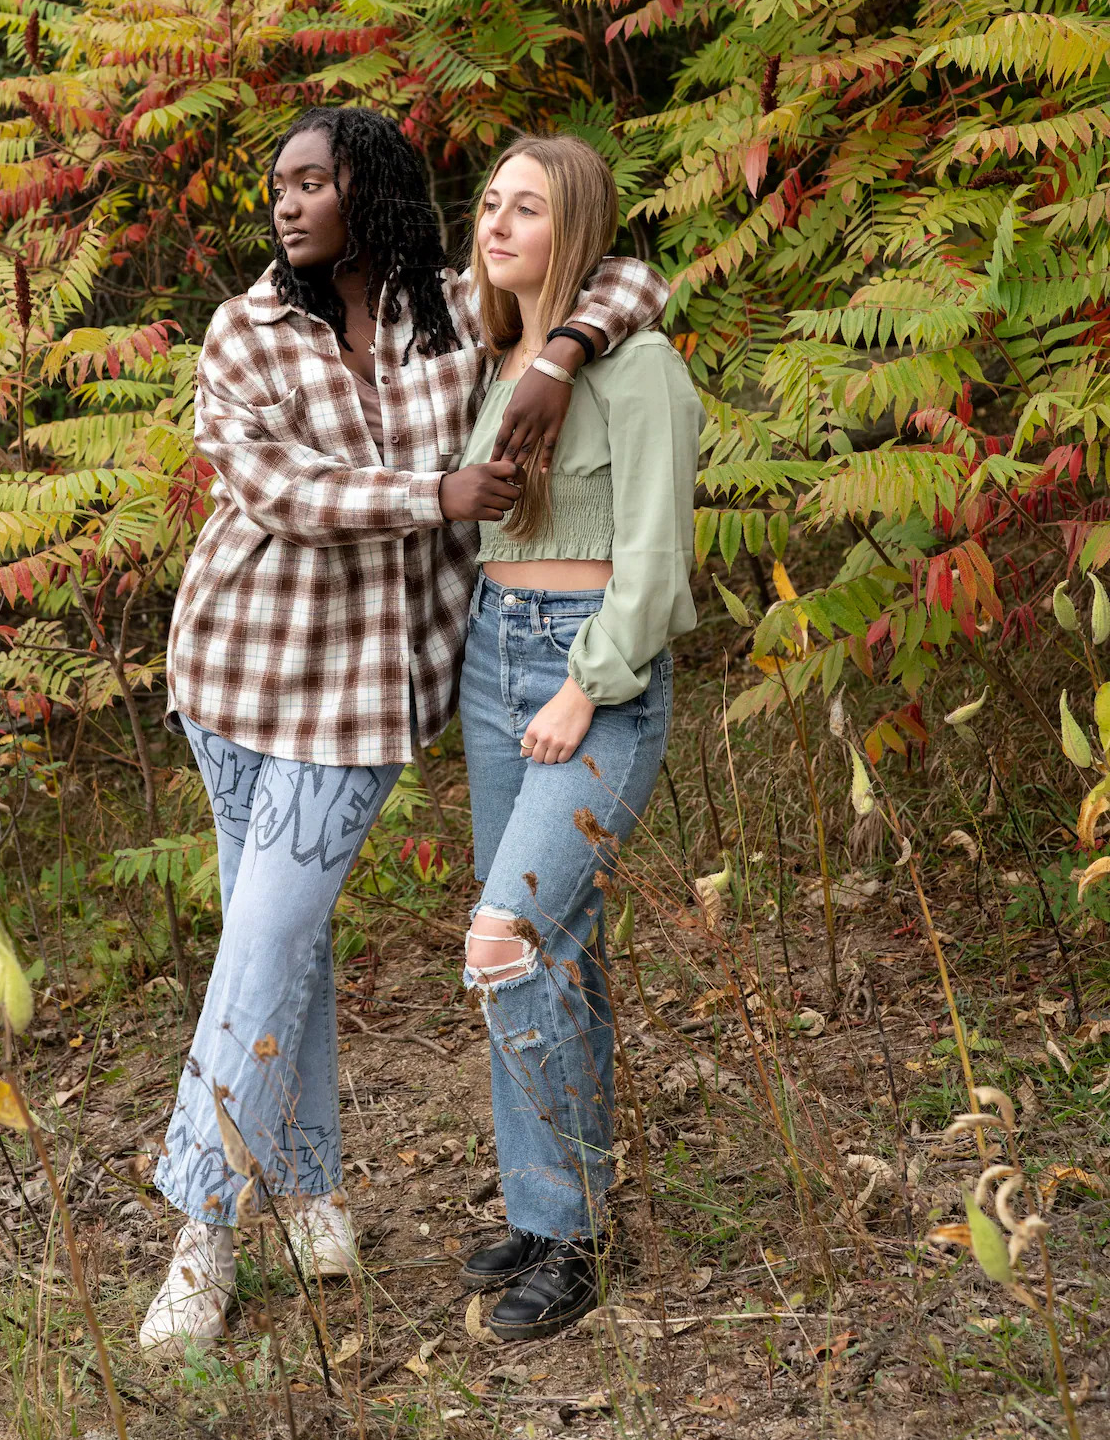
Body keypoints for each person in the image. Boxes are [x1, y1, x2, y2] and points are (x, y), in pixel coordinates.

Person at [139, 106, 668, 1357]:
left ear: (369, 190)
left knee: (261, 945)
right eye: (277, 183)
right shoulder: (244, 329)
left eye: (314, 181)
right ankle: (314, 1197)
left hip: (365, 698)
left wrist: (558, 354)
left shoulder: (458, 319)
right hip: (232, 677)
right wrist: (432, 494)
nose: (287, 202)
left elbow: (628, 270)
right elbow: (272, 489)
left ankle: (201, 1240)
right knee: (281, 947)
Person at [452, 135, 703, 1340]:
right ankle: (554, 1213)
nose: (498, 225)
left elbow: (654, 564)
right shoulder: (492, 357)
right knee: (551, 955)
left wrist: (586, 683)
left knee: (502, 942)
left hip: (591, 670)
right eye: (490, 203)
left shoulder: (639, 368)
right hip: (491, 660)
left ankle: (583, 1232)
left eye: (530, 209)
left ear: (580, 231)